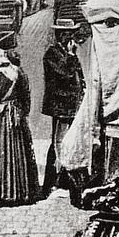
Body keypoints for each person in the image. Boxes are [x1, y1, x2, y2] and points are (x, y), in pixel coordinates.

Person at [0, 44, 40, 205]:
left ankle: (2, 192)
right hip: (16, 116)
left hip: (0, 117)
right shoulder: (18, 71)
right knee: (18, 152)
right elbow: (26, 96)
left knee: (0, 152)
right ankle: (20, 191)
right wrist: (22, 113)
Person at [41, 19, 85, 196]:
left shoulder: (66, 52)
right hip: (60, 105)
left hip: (71, 104)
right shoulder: (52, 54)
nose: (70, 36)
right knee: (58, 142)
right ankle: (50, 182)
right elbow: (65, 73)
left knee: (70, 141)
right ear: (60, 34)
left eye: (71, 33)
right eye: (67, 33)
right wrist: (72, 56)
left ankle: (64, 179)